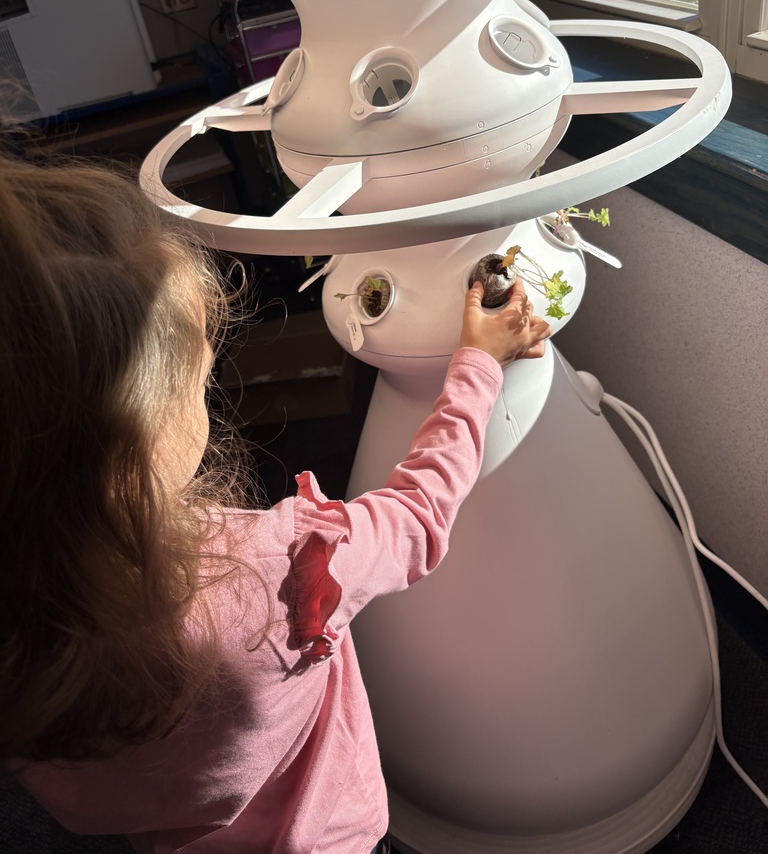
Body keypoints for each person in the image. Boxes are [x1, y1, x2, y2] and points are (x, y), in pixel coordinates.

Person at [0, 150, 551, 854]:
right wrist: (476, 366)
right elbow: (417, 514)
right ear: (131, 446)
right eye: (197, 381)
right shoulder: (282, 571)